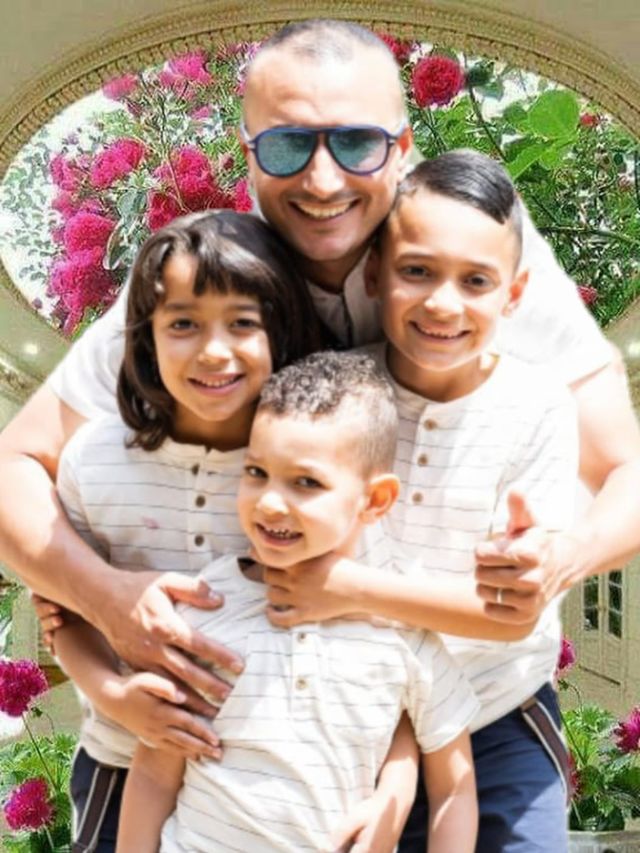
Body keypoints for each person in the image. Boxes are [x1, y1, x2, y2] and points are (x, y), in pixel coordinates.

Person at [2, 12, 639, 772]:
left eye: (357, 142)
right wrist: (102, 593)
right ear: (249, 156)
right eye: (288, 145)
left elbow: (626, 470)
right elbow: (16, 466)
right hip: (281, 725)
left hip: (482, 706)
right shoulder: (211, 280)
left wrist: (563, 557)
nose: (324, 179)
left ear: (402, 146)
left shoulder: (475, 255)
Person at [267, 150, 579, 852]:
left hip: (498, 714)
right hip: (359, 717)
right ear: (373, 274)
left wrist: (344, 586)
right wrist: (398, 766)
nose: (443, 303)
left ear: (513, 293)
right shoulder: (332, 398)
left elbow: (507, 619)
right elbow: (294, 576)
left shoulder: (538, 406)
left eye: (476, 281)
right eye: (417, 271)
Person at [115, 350, 478, 853]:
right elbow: (156, 773)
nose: (268, 502)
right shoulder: (204, 607)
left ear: (374, 500)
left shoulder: (401, 632)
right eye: (256, 472)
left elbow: (454, 787)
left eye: (306, 482)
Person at [49, 209, 330, 850]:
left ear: (281, 329)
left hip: (270, 785)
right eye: (183, 323)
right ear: (146, 337)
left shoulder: (301, 466)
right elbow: (64, 616)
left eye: (243, 322)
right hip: (123, 764)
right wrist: (115, 694)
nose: (214, 350)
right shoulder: (94, 458)